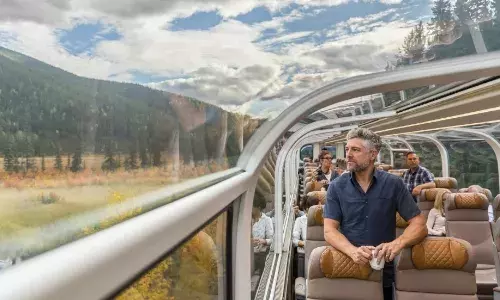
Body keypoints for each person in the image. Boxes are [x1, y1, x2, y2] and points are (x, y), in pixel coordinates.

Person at [323, 128, 427, 300]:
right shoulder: (336, 186)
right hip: (348, 267)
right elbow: (329, 230)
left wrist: (397, 244)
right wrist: (353, 251)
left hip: (383, 270)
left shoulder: (393, 184)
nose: (348, 154)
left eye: (355, 150)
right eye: (347, 149)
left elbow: (419, 224)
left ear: (373, 154)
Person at [252, 194, 273, 273]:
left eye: (252, 206)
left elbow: (271, 239)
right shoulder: (247, 220)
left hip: (261, 254)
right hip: (248, 253)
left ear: (258, 207)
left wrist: (263, 241)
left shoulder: (267, 220)